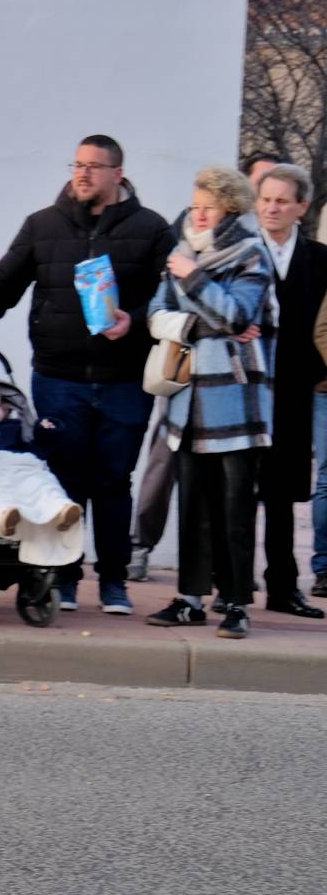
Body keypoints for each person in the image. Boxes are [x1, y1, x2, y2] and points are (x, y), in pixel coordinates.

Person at [0, 135, 172, 615]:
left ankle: (114, 583)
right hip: (59, 377)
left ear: (118, 174)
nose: (83, 174)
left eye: (94, 166)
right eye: (78, 165)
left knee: (113, 482)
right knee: (63, 482)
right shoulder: (43, 226)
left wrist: (134, 321)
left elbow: (167, 298)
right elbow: (0, 286)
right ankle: (62, 579)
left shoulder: (151, 230)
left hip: (123, 380)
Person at [129, 150, 285, 582]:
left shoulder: (250, 254)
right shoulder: (182, 251)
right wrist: (201, 325)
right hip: (185, 399)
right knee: (192, 507)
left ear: (229, 209)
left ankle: (234, 600)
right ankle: (190, 598)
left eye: (208, 208)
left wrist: (193, 278)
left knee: (233, 508)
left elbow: (238, 315)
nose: (198, 215)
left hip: (234, 402)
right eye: (195, 206)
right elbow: (155, 317)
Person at [252, 163, 327, 618]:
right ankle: (231, 585)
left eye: (282, 200)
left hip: (296, 393)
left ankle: (282, 588)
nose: (272, 208)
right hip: (244, 391)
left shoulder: (321, 260)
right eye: (265, 199)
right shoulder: (240, 251)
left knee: (281, 496)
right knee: (238, 493)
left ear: (301, 207)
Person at [0, 382, 84, 564]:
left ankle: (61, 509)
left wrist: (45, 432)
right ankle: (4, 516)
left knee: (42, 483)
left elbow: (35, 452)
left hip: (18, 467)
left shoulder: (13, 427)